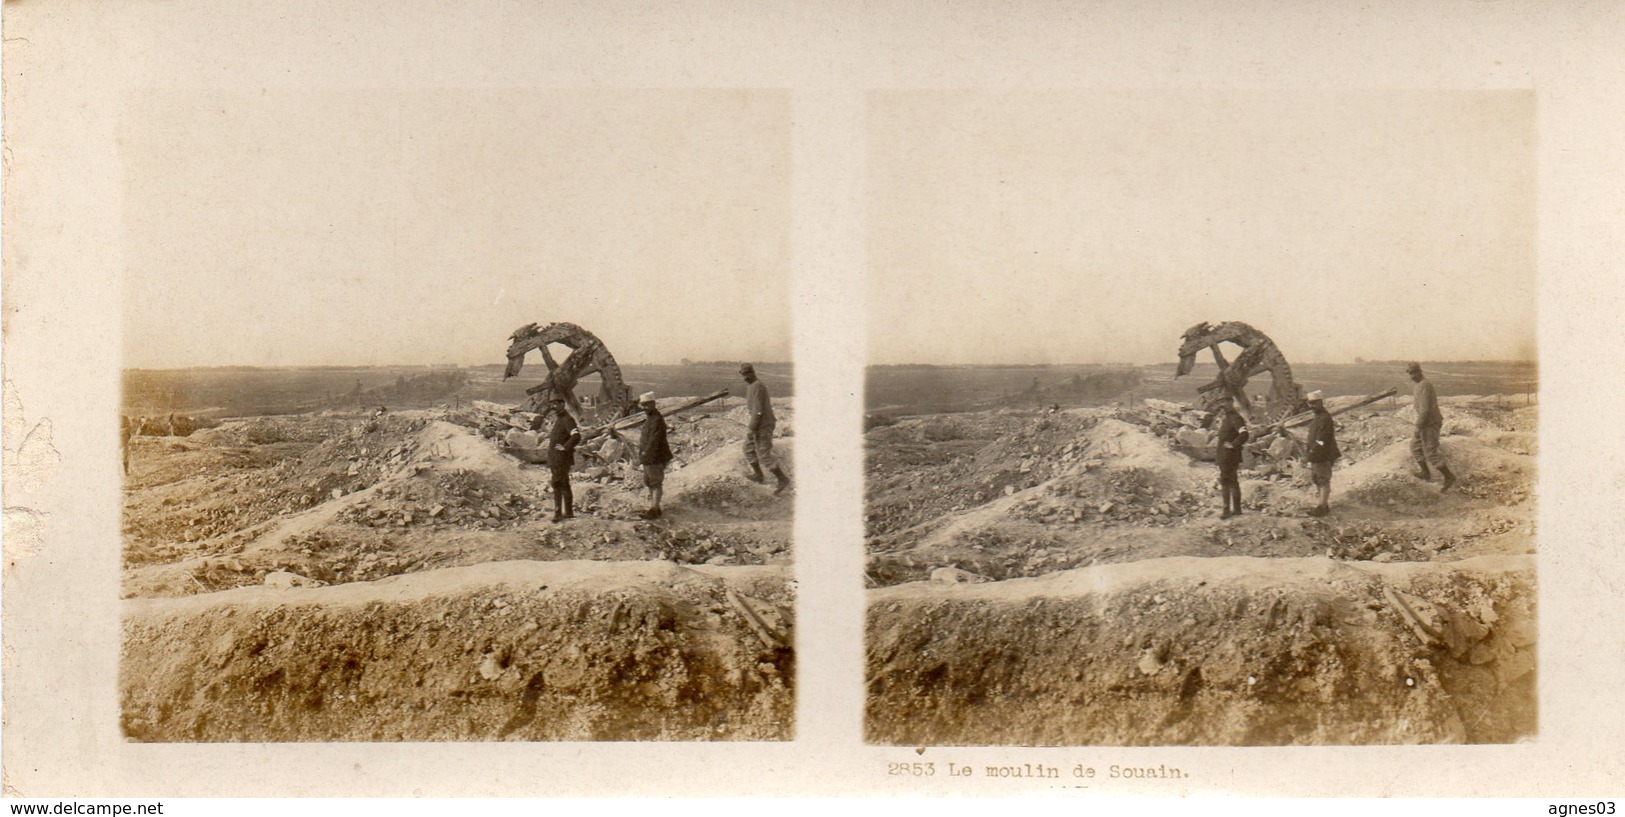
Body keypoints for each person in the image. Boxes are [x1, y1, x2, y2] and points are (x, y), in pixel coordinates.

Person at [740, 363, 790, 495]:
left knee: (763, 455)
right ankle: (759, 476)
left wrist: (751, 429)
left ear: (753, 373)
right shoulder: (751, 386)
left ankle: (783, 479)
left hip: (763, 425)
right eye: (743, 375)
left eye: (747, 374)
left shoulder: (757, 386)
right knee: (748, 449)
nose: (745, 377)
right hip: (758, 424)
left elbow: (758, 411)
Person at [1407, 362, 1457, 493]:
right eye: (1410, 373)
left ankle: (1449, 477)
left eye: (1414, 373)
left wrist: (1418, 427)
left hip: (1430, 424)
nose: (1412, 376)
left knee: (1430, 453)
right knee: (1415, 448)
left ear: (1420, 372)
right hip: (1425, 424)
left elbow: (1425, 410)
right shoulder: (1417, 385)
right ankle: (1425, 473)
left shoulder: (1424, 385)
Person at [637, 392, 674, 520]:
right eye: (643, 405)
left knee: (655, 482)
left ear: (653, 404)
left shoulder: (657, 420)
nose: (644, 407)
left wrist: (645, 454)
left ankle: (654, 509)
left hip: (655, 456)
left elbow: (654, 440)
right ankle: (655, 508)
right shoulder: (651, 418)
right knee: (649, 482)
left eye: (647, 405)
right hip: (650, 457)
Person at [1303, 390, 1340, 517]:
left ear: (1320, 402)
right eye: (1310, 403)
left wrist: (1312, 453)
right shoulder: (1318, 416)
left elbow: (1322, 439)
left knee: (1323, 480)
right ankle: (1323, 504)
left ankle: (1322, 507)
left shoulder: (1324, 417)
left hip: (1323, 454)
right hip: (1317, 454)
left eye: (1314, 403)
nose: (1312, 406)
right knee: (1318, 480)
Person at [545, 397, 580, 522]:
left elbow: (576, 436)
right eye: (552, 404)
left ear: (562, 404)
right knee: (564, 484)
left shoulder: (567, 419)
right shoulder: (560, 419)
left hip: (561, 459)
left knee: (557, 484)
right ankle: (569, 512)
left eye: (555, 403)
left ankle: (558, 513)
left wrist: (565, 447)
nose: (553, 406)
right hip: (557, 458)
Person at [1215, 396, 1248, 518]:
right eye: (1221, 402)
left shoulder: (1235, 418)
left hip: (1229, 456)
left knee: (1226, 481)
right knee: (1232, 481)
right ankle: (1237, 509)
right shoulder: (1228, 418)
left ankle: (1226, 511)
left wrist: (1233, 445)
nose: (1222, 405)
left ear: (1231, 402)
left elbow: (1244, 434)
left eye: (1225, 402)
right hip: (1226, 455)